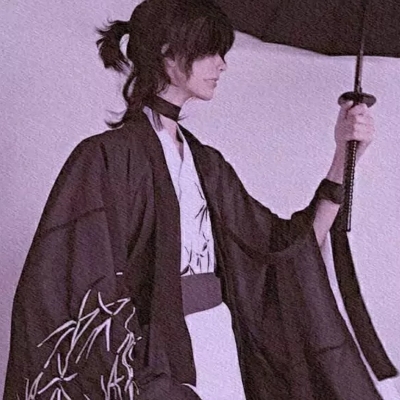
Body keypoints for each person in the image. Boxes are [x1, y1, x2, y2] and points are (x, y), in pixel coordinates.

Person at [3, 0, 397, 399]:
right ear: (168, 53)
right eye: (210, 51)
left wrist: (343, 157)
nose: (222, 65)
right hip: (150, 363)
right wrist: (139, 374)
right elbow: (65, 287)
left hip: (216, 346)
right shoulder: (104, 158)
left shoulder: (207, 165)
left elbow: (283, 253)